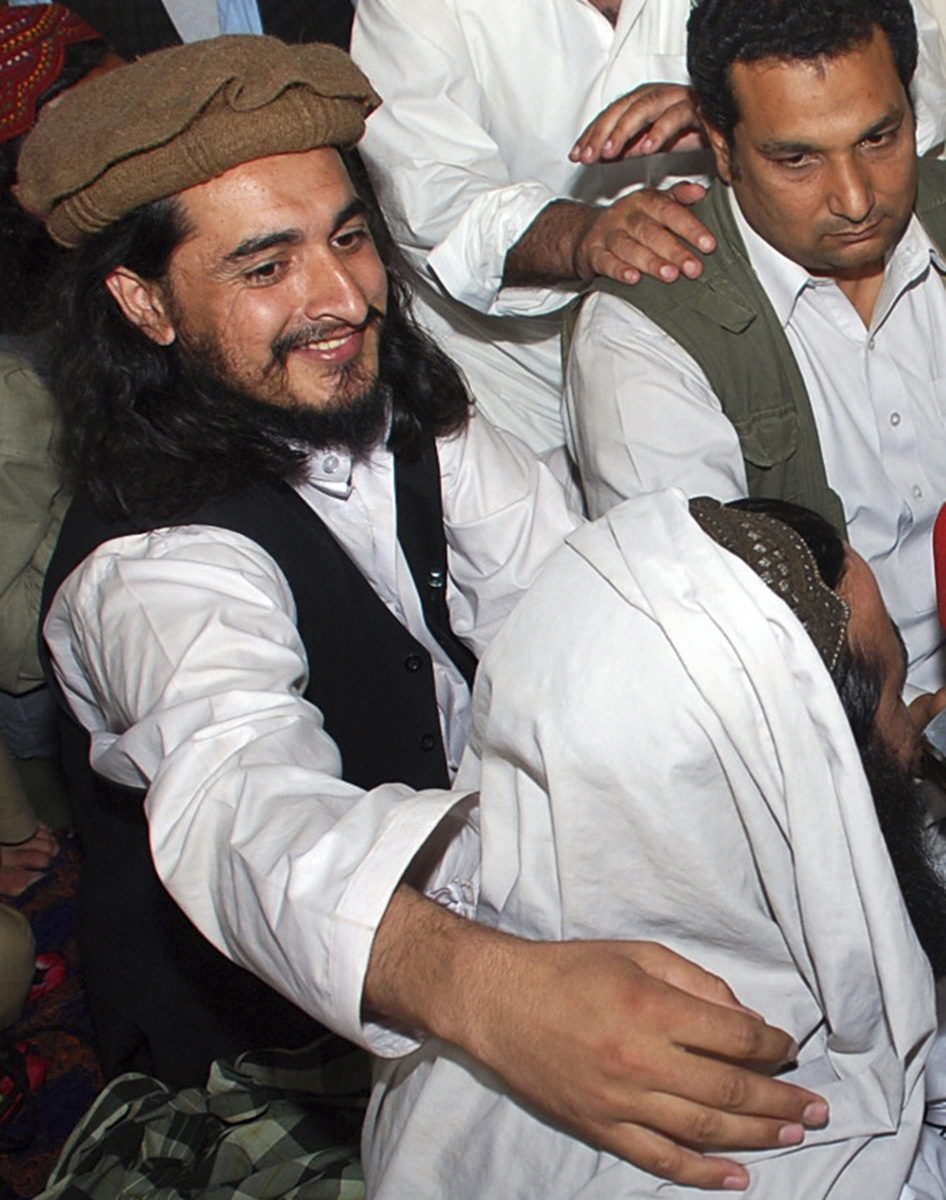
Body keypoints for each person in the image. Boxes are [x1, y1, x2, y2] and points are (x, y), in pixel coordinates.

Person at [16, 35, 825, 1189]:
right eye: (265, 267)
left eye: (348, 237)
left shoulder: (398, 406)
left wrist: (789, 592)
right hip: (285, 1037)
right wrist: (490, 994)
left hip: (512, 892)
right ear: (144, 302)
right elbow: (246, 806)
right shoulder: (151, 561)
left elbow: (579, 597)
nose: (340, 297)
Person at [364, 490, 946, 1199]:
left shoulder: (470, 1016)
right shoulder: (792, 1143)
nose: (913, 744)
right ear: (810, 796)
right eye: (891, 696)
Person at [566, 0, 946, 716]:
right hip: (832, 755)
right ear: (720, 142)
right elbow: (718, 660)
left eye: (879, 139)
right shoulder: (642, 338)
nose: (856, 197)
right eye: (796, 158)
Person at [350, 0, 946, 452]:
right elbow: (430, 199)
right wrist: (585, 237)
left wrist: (742, 109)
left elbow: (911, 57)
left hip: (759, 348)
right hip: (504, 391)